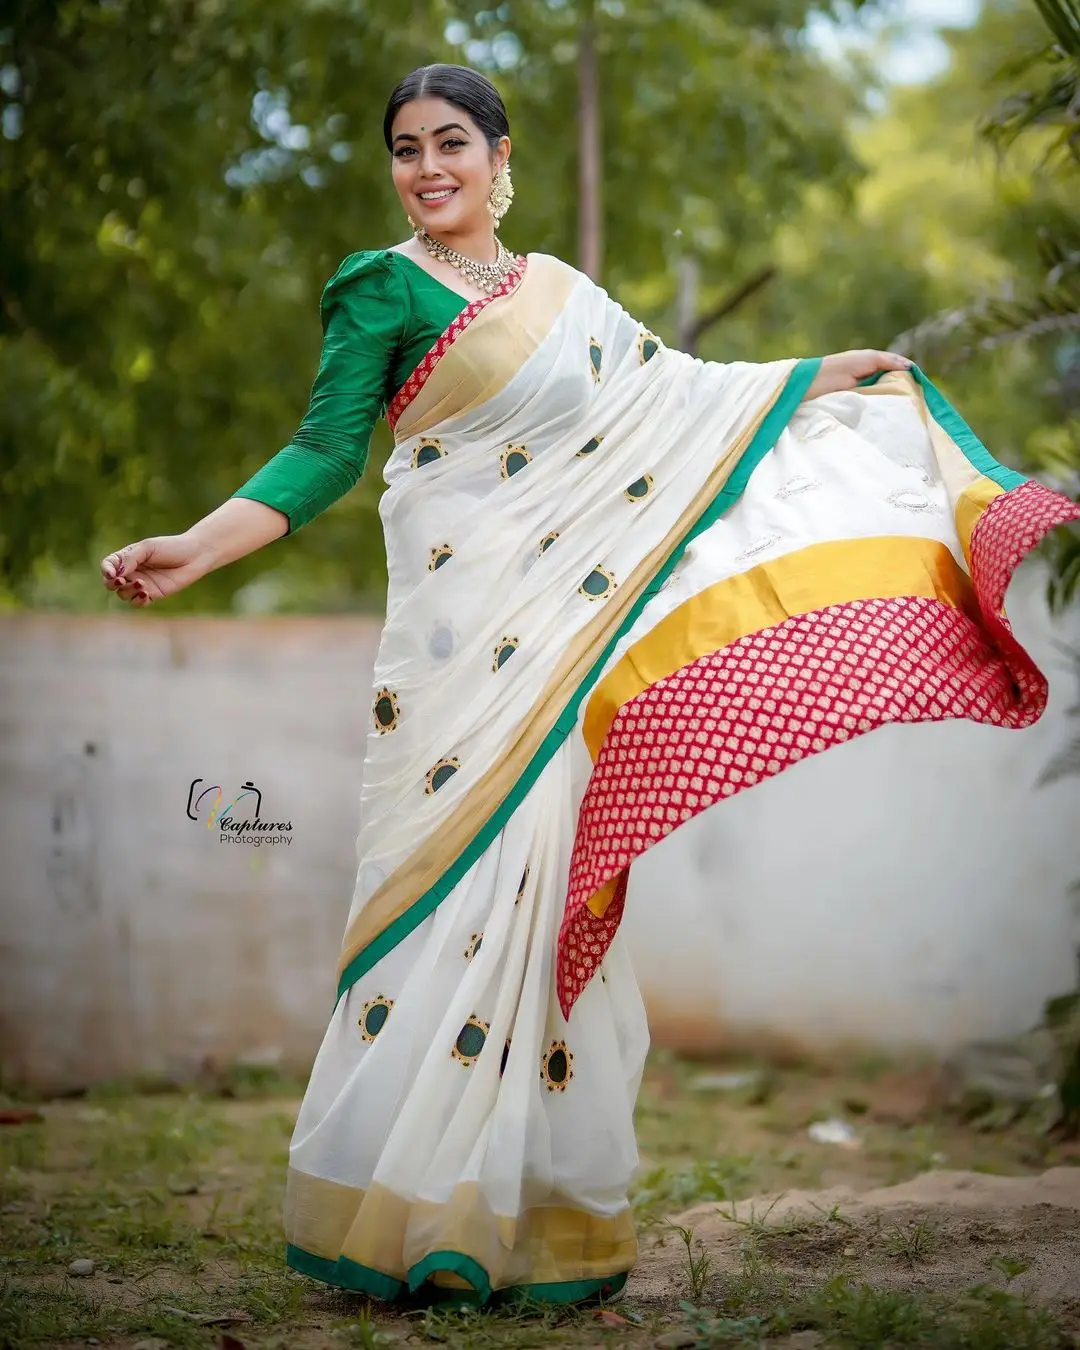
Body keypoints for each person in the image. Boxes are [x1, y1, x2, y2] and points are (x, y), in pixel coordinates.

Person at [100, 63, 1078, 1306]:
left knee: (549, 887)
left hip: (557, 656)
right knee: (446, 898)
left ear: (502, 160)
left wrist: (815, 375)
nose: (428, 166)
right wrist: (197, 541)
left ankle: (533, 1212)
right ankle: (408, 1207)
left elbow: (681, 398)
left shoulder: (564, 297)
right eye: (406, 149)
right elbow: (325, 449)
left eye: (451, 141)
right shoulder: (379, 285)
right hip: (458, 662)